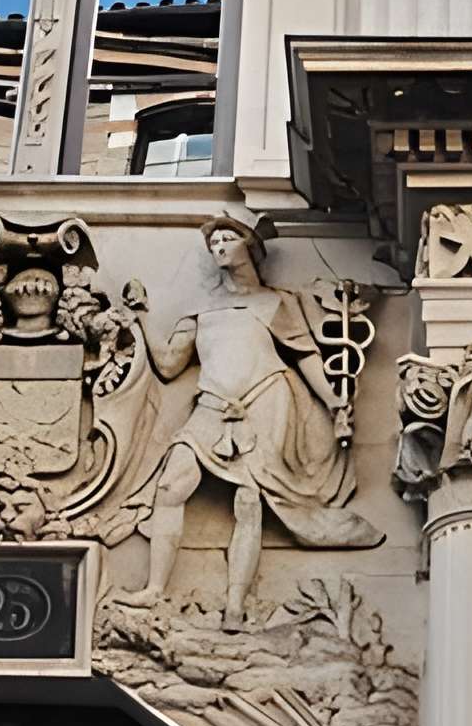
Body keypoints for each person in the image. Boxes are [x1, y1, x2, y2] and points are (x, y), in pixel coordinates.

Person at [137, 217, 381, 621]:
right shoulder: (200, 309)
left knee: (249, 502)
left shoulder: (274, 302)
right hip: (213, 405)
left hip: (266, 400)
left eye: (228, 238)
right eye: (214, 241)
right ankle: (154, 589)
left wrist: (335, 402)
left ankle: (235, 604)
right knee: (170, 484)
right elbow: (167, 365)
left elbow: (305, 356)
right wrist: (141, 317)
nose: (219, 246)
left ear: (249, 247)